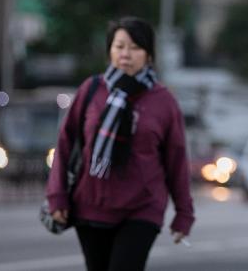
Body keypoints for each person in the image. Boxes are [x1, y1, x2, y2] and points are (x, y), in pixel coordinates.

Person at [46, 17, 194, 271]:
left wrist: (184, 214)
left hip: (141, 208)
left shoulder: (163, 101)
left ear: (149, 55)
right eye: (119, 46)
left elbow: (176, 160)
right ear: (109, 51)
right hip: (91, 205)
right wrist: (57, 196)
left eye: (135, 47)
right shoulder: (91, 90)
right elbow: (66, 144)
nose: (126, 54)